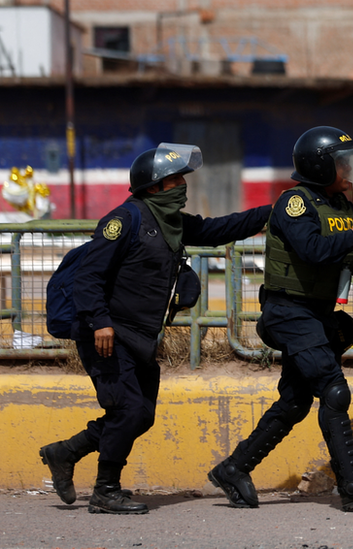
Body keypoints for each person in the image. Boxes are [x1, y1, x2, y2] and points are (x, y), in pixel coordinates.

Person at [38, 143, 273, 514]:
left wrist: (272, 212)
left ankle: (64, 452)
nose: (183, 185)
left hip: (140, 336)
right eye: (175, 179)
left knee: (140, 415)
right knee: (128, 411)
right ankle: (105, 491)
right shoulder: (125, 220)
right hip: (107, 334)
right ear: (154, 186)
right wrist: (99, 322)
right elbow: (88, 277)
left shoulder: (173, 224)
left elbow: (218, 229)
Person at [207, 126, 353, 511]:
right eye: (340, 164)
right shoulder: (296, 203)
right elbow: (312, 249)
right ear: (320, 167)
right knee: (334, 390)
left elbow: (351, 248)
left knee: (294, 402)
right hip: (288, 311)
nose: (346, 171)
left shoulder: (341, 202)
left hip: (318, 314)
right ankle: (352, 484)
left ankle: (233, 468)